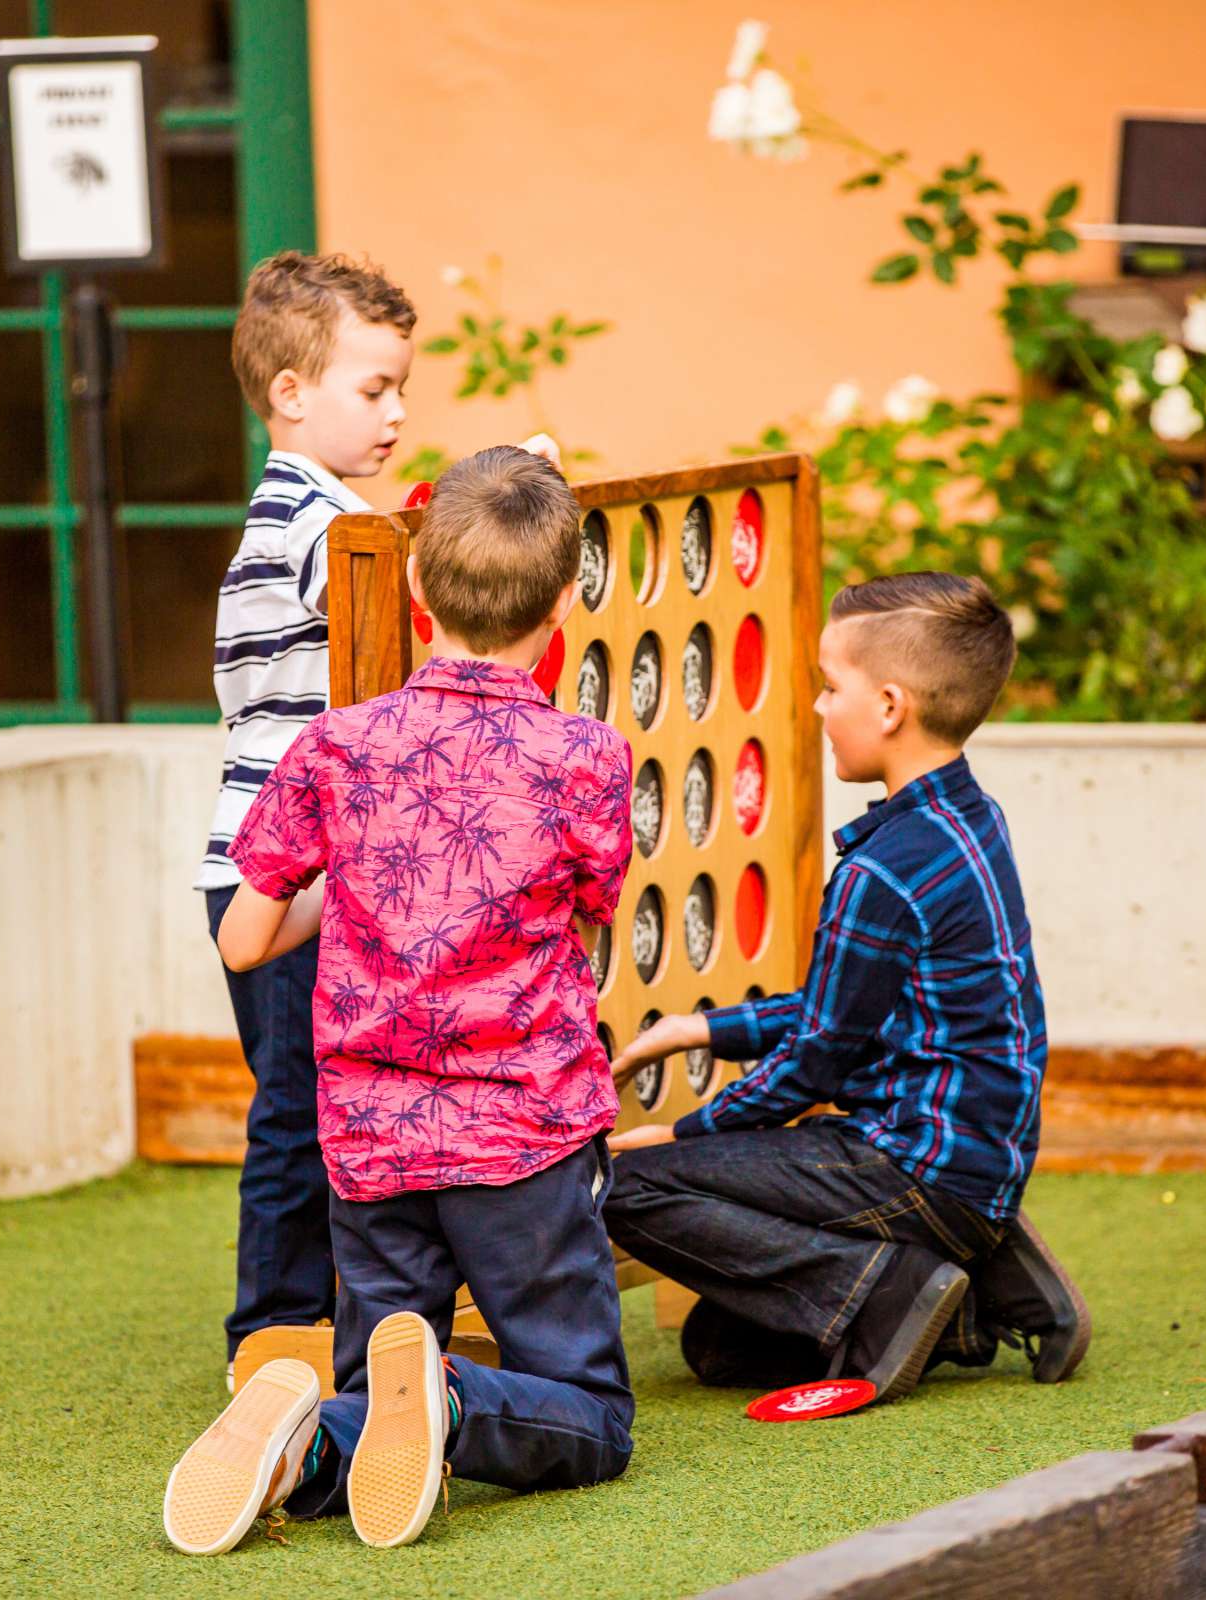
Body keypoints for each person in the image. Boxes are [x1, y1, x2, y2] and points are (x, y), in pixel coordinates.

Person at [165, 446, 635, 1557]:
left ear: (416, 586)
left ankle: (317, 1430)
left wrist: (365, 873)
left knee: (388, 1382)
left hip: (370, 1142)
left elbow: (245, 940)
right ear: (566, 602)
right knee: (593, 1410)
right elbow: (594, 907)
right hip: (523, 1134)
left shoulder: (335, 749)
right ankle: (459, 1402)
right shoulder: (587, 756)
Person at [602, 572, 1090, 1405]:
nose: (820, 708)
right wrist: (703, 1030)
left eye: (832, 688)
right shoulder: (970, 820)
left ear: (891, 705)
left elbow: (817, 1063)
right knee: (718, 1349)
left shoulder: (881, 872)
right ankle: (983, 1289)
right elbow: (854, 1008)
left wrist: (679, 1135)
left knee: (626, 1188)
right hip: (981, 1163)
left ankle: (886, 1293)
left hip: (915, 1165)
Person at [196, 251, 419, 1381]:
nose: (396, 413)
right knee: (298, 1103)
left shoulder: (335, 517)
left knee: (329, 1095)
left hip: (299, 863)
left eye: (399, 390)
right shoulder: (319, 524)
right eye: (372, 389)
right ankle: (273, 1330)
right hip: (284, 872)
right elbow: (414, 611)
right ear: (291, 393)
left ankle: (337, 1308)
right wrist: (504, 510)